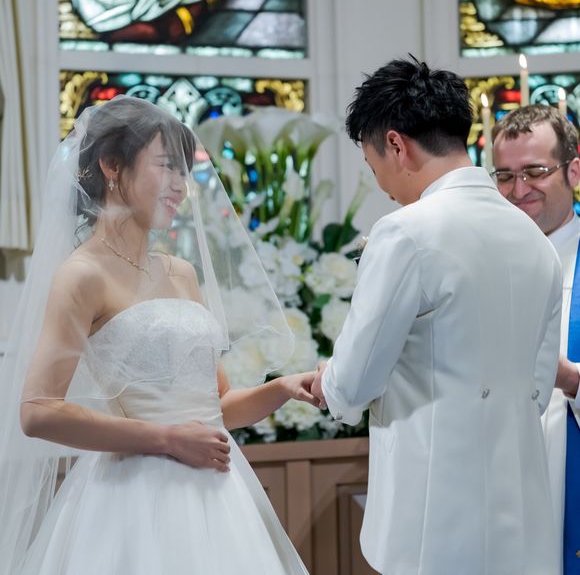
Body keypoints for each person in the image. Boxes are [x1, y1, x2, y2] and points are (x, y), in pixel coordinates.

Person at [0, 96, 315, 574]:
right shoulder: (82, 275)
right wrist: (166, 439)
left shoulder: (181, 273)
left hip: (219, 494)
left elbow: (218, 407)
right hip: (137, 500)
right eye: (167, 166)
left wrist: (284, 388)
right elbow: (38, 411)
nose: (180, 187)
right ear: (111, 165)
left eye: (183, 172)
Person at [310, 56, 563, 575]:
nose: (383, 185)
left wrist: (325, 380)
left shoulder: (405, 232)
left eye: (373, 166)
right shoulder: (536, 241)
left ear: (396, 145)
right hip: (523, 519)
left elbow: (351, 387)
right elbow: (537, 391)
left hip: (431, 519)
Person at [492, 104, 580, 575]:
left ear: (573, 171)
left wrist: (569, 380)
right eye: (505, 176)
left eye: (535, 172)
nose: (519, 189)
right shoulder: (480, 261)